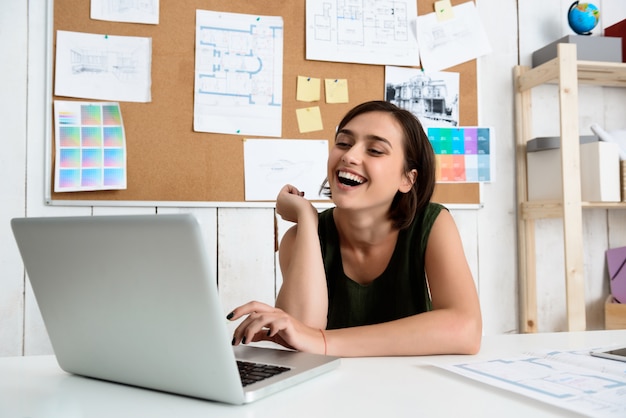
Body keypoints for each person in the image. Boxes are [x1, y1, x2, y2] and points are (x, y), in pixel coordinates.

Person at [227, 100, 482, 357]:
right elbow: (300, 337)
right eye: (343, 143)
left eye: (375, 150)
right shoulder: (301, 238)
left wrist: (325, 342)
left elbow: (465, 330)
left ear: (408, 178)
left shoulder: (433, 223)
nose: (348, 156)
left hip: (411, 387)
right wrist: (306, 217)